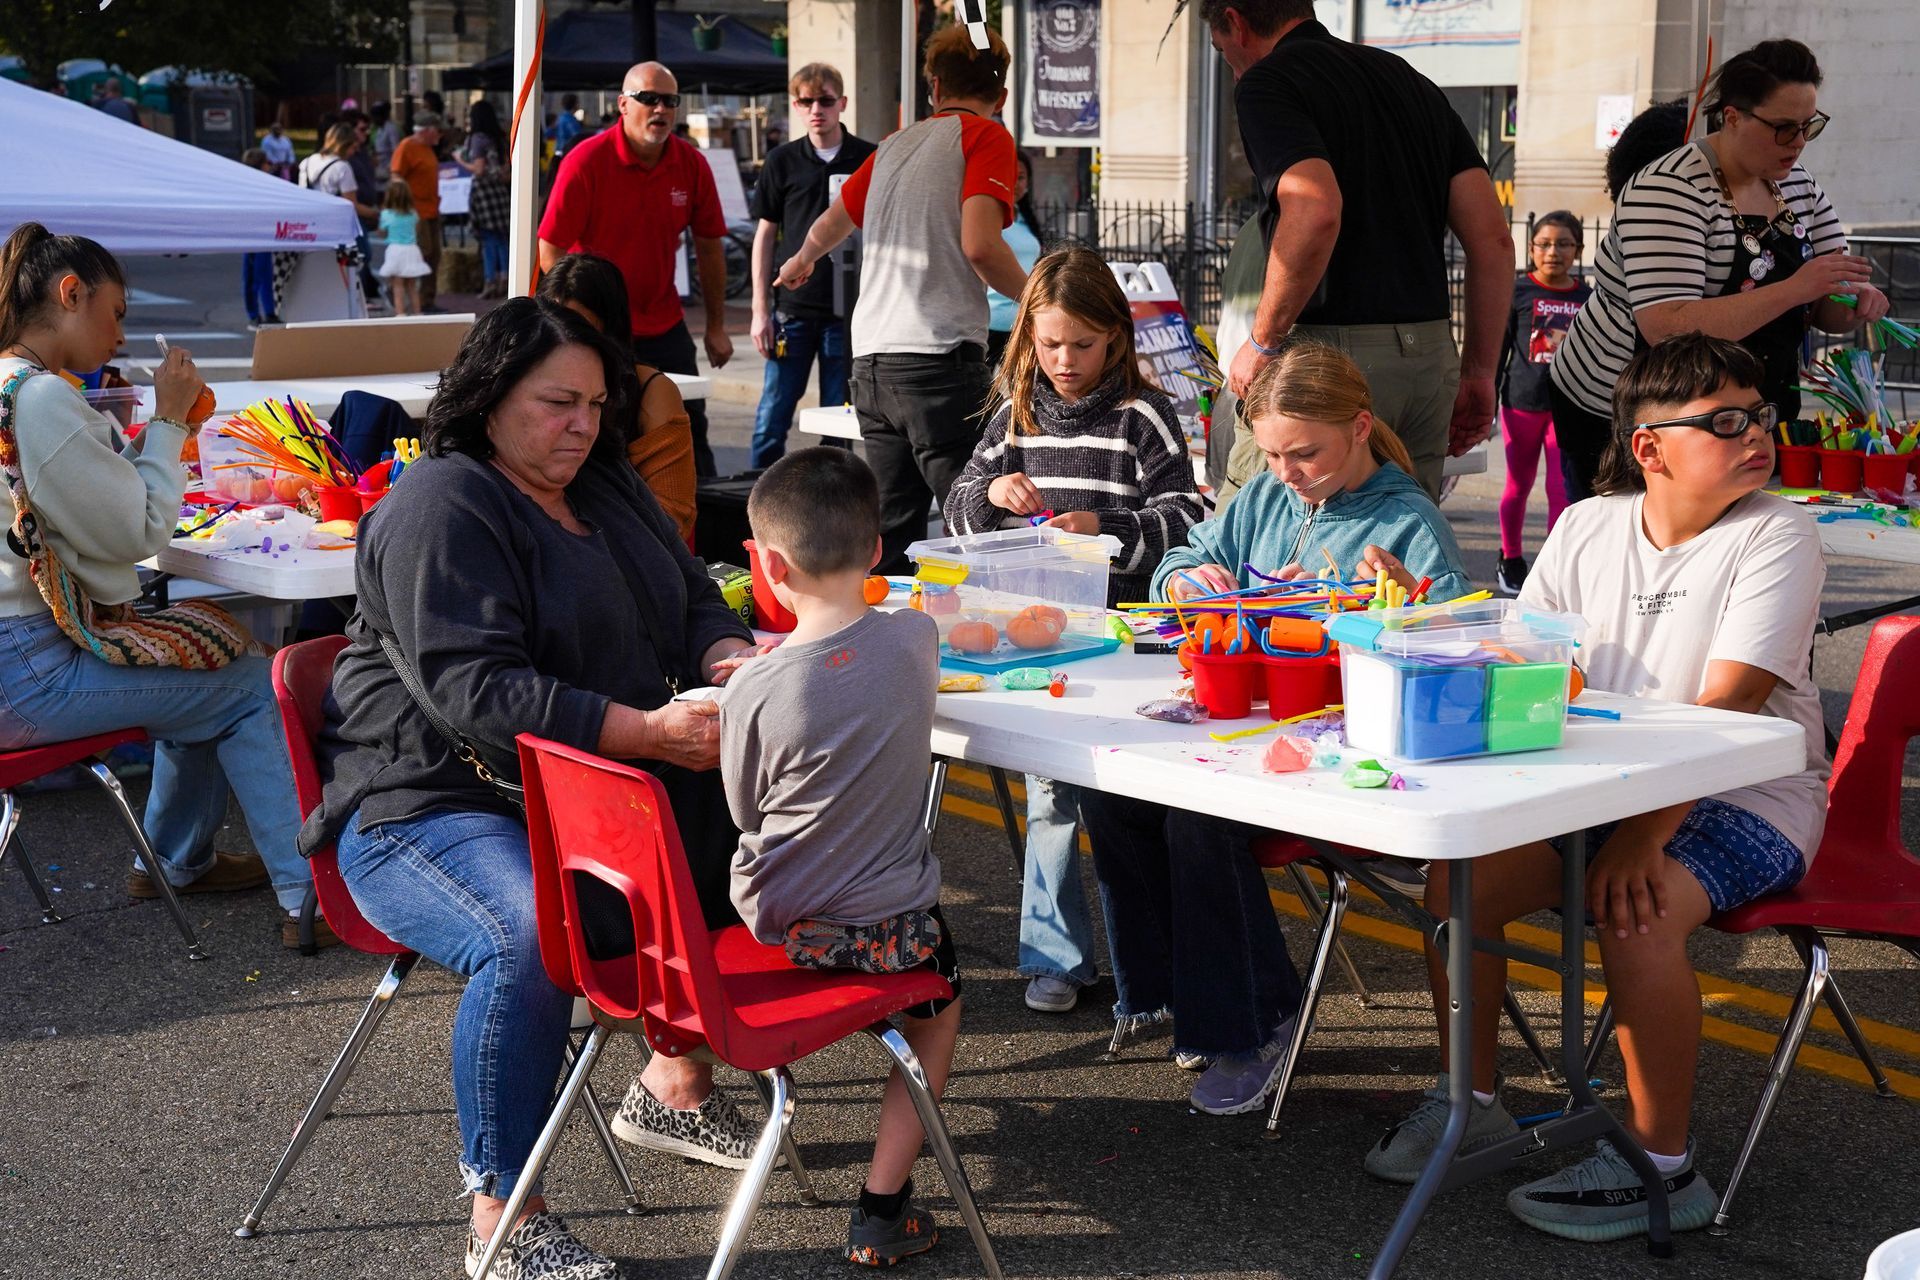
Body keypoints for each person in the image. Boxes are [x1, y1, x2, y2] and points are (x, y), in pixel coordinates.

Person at [304, 298, 768, 1279]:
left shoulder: (602, 483)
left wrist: (727, 658)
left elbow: (690, 593)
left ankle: (672, 1082)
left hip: (579, 787)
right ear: (487, 396)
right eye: (558, 402)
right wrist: (644, 730)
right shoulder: (442, 503)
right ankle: (502, 1219)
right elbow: (478, 692)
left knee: (761, 822)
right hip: (428, 804)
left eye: (597, 404)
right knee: (528, 933)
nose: (583, 425)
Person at [1366, 334, 1827, 1243]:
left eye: (1759, 415)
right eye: (1725, 421)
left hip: (1748, 791)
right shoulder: (1586, 525)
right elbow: (1539, 667)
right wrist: (1434, 619)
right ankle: (1475, 1102)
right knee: (1459, 883)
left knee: (1637, 907)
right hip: (1607, 790)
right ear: (1649, 447)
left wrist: (1641, 835)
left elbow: (1731, 708)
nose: (1756, 434)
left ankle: (1663, 1167)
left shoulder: (1779, 529)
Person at [1085, 343, 1470, 1115]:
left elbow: (1450, 650)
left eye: (1305, 454)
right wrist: (1187, 578)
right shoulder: (1264, 495)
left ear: (1361, 428)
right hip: (1239, 731)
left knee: (1198, 817)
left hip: (1340, 758)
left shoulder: (1407, 519)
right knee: (1108, 787)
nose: (1287, 470)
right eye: (1270, 453)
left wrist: (1396, 606)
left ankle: (1252, 1022)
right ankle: (1185, 993)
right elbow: (1185, 561)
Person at [0, 224, 320, 947]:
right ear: (69, 294)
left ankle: (176, 860)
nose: (120, 334)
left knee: (198, 653)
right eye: (115, 312)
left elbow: (95, 519)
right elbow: (134, 537)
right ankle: (310, 899)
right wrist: (171, 417)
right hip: (23, 675)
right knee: (245, 682)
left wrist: (148, 446)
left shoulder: (9, 384)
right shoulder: (41, 397)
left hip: (14, 662)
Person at [945, 246, 1201, 1015]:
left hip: (1127, 642)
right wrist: (992, 489)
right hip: (1041, 640)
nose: (1064, 361)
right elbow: (958, 506)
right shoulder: (1016, 413)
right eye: (1049, 344)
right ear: (1027, 336)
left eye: (1081, 345)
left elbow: (1187, 519)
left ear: (1115, 338)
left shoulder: (1143, 416)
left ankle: (1150, 965)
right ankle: (1055, 956)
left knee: (1130, 801)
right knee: (1051, 793)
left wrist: (1109, 528)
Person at [727, 447, 957, 1267]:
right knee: (938, 1010)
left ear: (769, 565)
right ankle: (882, 1206)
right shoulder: (916, 639)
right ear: (876, 551)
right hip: (893, 931)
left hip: (777, 932)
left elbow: (746, 810)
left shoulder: (753, 687)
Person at [1205, 0, 1514, 503]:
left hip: (1326, 359)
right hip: (1428, 354)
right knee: (1396, 563)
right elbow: (1494, 241)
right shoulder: (1409, 80)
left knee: (1256, 548)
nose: (1232, 67)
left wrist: (1261, 340)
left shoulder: (1269, 81)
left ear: (1235, 23)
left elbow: (1315, 209)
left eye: (1222, 53)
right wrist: (1479, 370)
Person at [1551, 39, 1888, 501]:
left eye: (1809, 126)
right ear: (1733, 117)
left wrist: (1851, 304)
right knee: (1639, 549)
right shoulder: (1670, 189)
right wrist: (1794, 290)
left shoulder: (1798, 184)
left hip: (1744, 406)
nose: (1798, 143)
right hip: (1636, 411)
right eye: (1783, 128)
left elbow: (1831, 294)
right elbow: (1668, 327)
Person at [773, 26, 1029, 572]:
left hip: (871, 361)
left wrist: (800, 260)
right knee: (976, 520)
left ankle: (886, 647)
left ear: (934, 86)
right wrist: (1042, 300)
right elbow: (981, 245)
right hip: (936, 356)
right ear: (1001, 96)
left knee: (890, 529)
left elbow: (831, 221)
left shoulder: (892, 146)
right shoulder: (987, 137)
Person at [539, 62, 732, 477]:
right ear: (623, 104)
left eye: (670, 100)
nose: (660, 109)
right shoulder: (585, 161)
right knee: (599, 430)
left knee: (688, 426)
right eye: (648, 99)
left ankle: (701, 520)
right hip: (598, 328)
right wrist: (571, 327)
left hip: (663, 324)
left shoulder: (691, 164)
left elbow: (710, 246)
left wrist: (716, 325)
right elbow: (550, 247)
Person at [747, 62, 877, 467]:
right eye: (806, 101)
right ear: (796, 106)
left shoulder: (868, 157)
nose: (816, 109)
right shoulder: (783, 160)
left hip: (849, 313)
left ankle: (835, 510)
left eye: (824, 100)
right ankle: (753, 500)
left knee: (840, 423)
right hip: (794, 309)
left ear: (842, 103)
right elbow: (766, 233)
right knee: (773, 415)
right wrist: (759, 310)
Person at [539, 253, 699, 542]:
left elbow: (674, 518)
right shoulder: (525, 390)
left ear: (609, 331)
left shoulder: (650, 392)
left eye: (580, 333)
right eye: (550, 331)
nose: (564, 344)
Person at [1494, 210, 1590, 595]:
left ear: (1579, 249)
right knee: (1518, 484)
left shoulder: (1586, 296)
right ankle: (1511, 558)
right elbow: (1499, 348)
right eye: (1545, 243)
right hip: (1521, 403)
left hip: (1568, 405)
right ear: (1531, 248)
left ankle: (1553, 564)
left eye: (1564, 243)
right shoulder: (1517, 291)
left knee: (1560, 489)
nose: (1554, 252)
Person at [984, 151, 1045, 368]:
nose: (1016, 183)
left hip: (1023, 321)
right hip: (990, 322)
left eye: (1021, 177)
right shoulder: (986, 218)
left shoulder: (1025, 218)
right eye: (1010, 175)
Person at [390, 111, 446, 311]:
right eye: (437, 131)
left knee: (434, 255)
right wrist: (403, 204)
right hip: (416, 211)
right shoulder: (407, 147)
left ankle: (426, 300)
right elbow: (396, 176)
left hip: (431, 209)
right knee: (423, 252)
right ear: (427, 131)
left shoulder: (428, 149)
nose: (440, 135)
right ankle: (405, 295)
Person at [457, 100, 511, 299]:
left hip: (483, 192)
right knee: (503, 238)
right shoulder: (499, 138)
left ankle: (490, 281)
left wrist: (459, 160)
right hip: (500, 190)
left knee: (489, 239)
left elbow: (479, 169)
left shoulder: (477, 139)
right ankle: (506, 278)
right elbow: (505, 169)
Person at [298, 123, 380, 223]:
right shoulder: (342, 167)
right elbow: (352, 205)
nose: (353, 152)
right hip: (332, 222)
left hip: (309, 220)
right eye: (353, 148)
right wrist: (377, 214)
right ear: (344, 146)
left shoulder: (306, 162)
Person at [238, 149, 281, 327]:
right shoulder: (262, 184)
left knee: (255, 274)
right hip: (259, 232)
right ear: (261, 165)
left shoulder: (244, 184)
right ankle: (262, 312)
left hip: (251, 232)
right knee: (260, 274)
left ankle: (258, 312)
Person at [376, 183, 433, 317]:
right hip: (412, 249)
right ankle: (417, 312)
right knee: (412, 286)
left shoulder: (386, 214)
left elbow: (382, 232)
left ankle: (400, 313)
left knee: (398, 285)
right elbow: (417, 231)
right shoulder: (413, 214)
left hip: (395, 250)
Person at [368, 100, 399, 193]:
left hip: (387, 167)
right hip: (378, 166)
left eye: (374, 117)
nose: (373, 119)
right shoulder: (378, 130)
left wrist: (391, 168)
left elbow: (396, 150)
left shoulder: (391, 129)